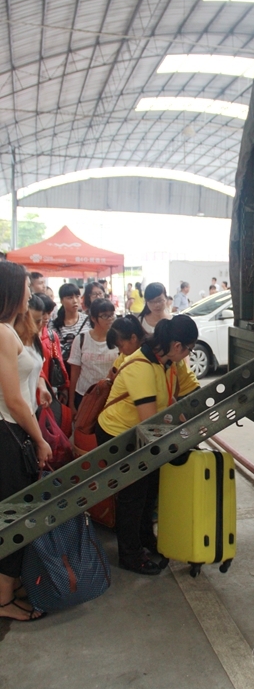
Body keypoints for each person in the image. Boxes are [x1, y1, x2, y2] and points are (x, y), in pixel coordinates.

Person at [96, 315, 200, 575]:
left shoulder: (169, 362)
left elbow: (186, 395)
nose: (189, 354)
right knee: (133, 494)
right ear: (177, 346)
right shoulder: (140, 366)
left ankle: (145, 538)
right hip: (118, 435)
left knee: (151, 487)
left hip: (143, 433)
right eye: (189, 349)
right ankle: (130, 555)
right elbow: (149, 421)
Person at [0, 262, 52, 621]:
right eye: (25, 287)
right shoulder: (3, 333)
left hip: (14, 430)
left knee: (16, 511)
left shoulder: (11, 330)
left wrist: (40, 386)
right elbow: (14, 400)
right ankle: (3, 601)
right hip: (10, 433)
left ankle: (10, 586)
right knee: (15, 516)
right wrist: (40, 439)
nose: (30, 293)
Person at [68, 298, 118, 415]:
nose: (110, 319)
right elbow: (74, 373)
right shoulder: (81, 339)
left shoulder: (117, 339)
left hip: (110, 395)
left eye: (112, 315)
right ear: (93, 318)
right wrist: (71, 402)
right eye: (105, 316)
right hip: (84, 395)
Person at [14, 294, 51, 412]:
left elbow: (37, 368)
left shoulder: (35, 340)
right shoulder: (10, 343)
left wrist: (42, 386)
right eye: (31, 321)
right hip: (15, 413)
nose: (35, 326)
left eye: (39, 321)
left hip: (32, 408)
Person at [36, 292, 70, 396]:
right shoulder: (25, 336)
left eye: (49, 313)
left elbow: (59, 361)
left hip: (49, 388)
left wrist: (64, 387)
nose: (46, 317)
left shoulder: (51, 336)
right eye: (43, 313)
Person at [51, 283, 89, 368]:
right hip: (62, 368)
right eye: (70, 298)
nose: (75, 301)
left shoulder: (88, 321)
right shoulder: (53, 325)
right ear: (61, 300)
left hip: (84, 366)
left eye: (77, 296)